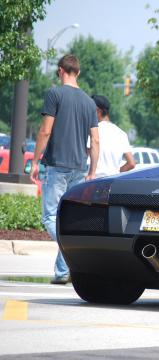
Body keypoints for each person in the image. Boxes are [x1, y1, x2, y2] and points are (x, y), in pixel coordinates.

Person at [30, 54, 100, 285]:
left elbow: (45, 131)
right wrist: (92, 171)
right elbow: (95, 140)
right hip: (80, 167)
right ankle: (62, 272)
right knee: (67, 218)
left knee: (50, 216)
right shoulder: (90, 103)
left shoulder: (54, 94)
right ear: (77, 72)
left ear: (60, 71)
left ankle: (72, 250)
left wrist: (35, 161)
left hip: (57, 165)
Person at [91, 95, 136, 177]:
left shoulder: (93, 131)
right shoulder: (121, 133)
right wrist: (117, 172)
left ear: (98, 111)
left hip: (95, 181)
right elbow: (131, 163)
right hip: (113, 182)